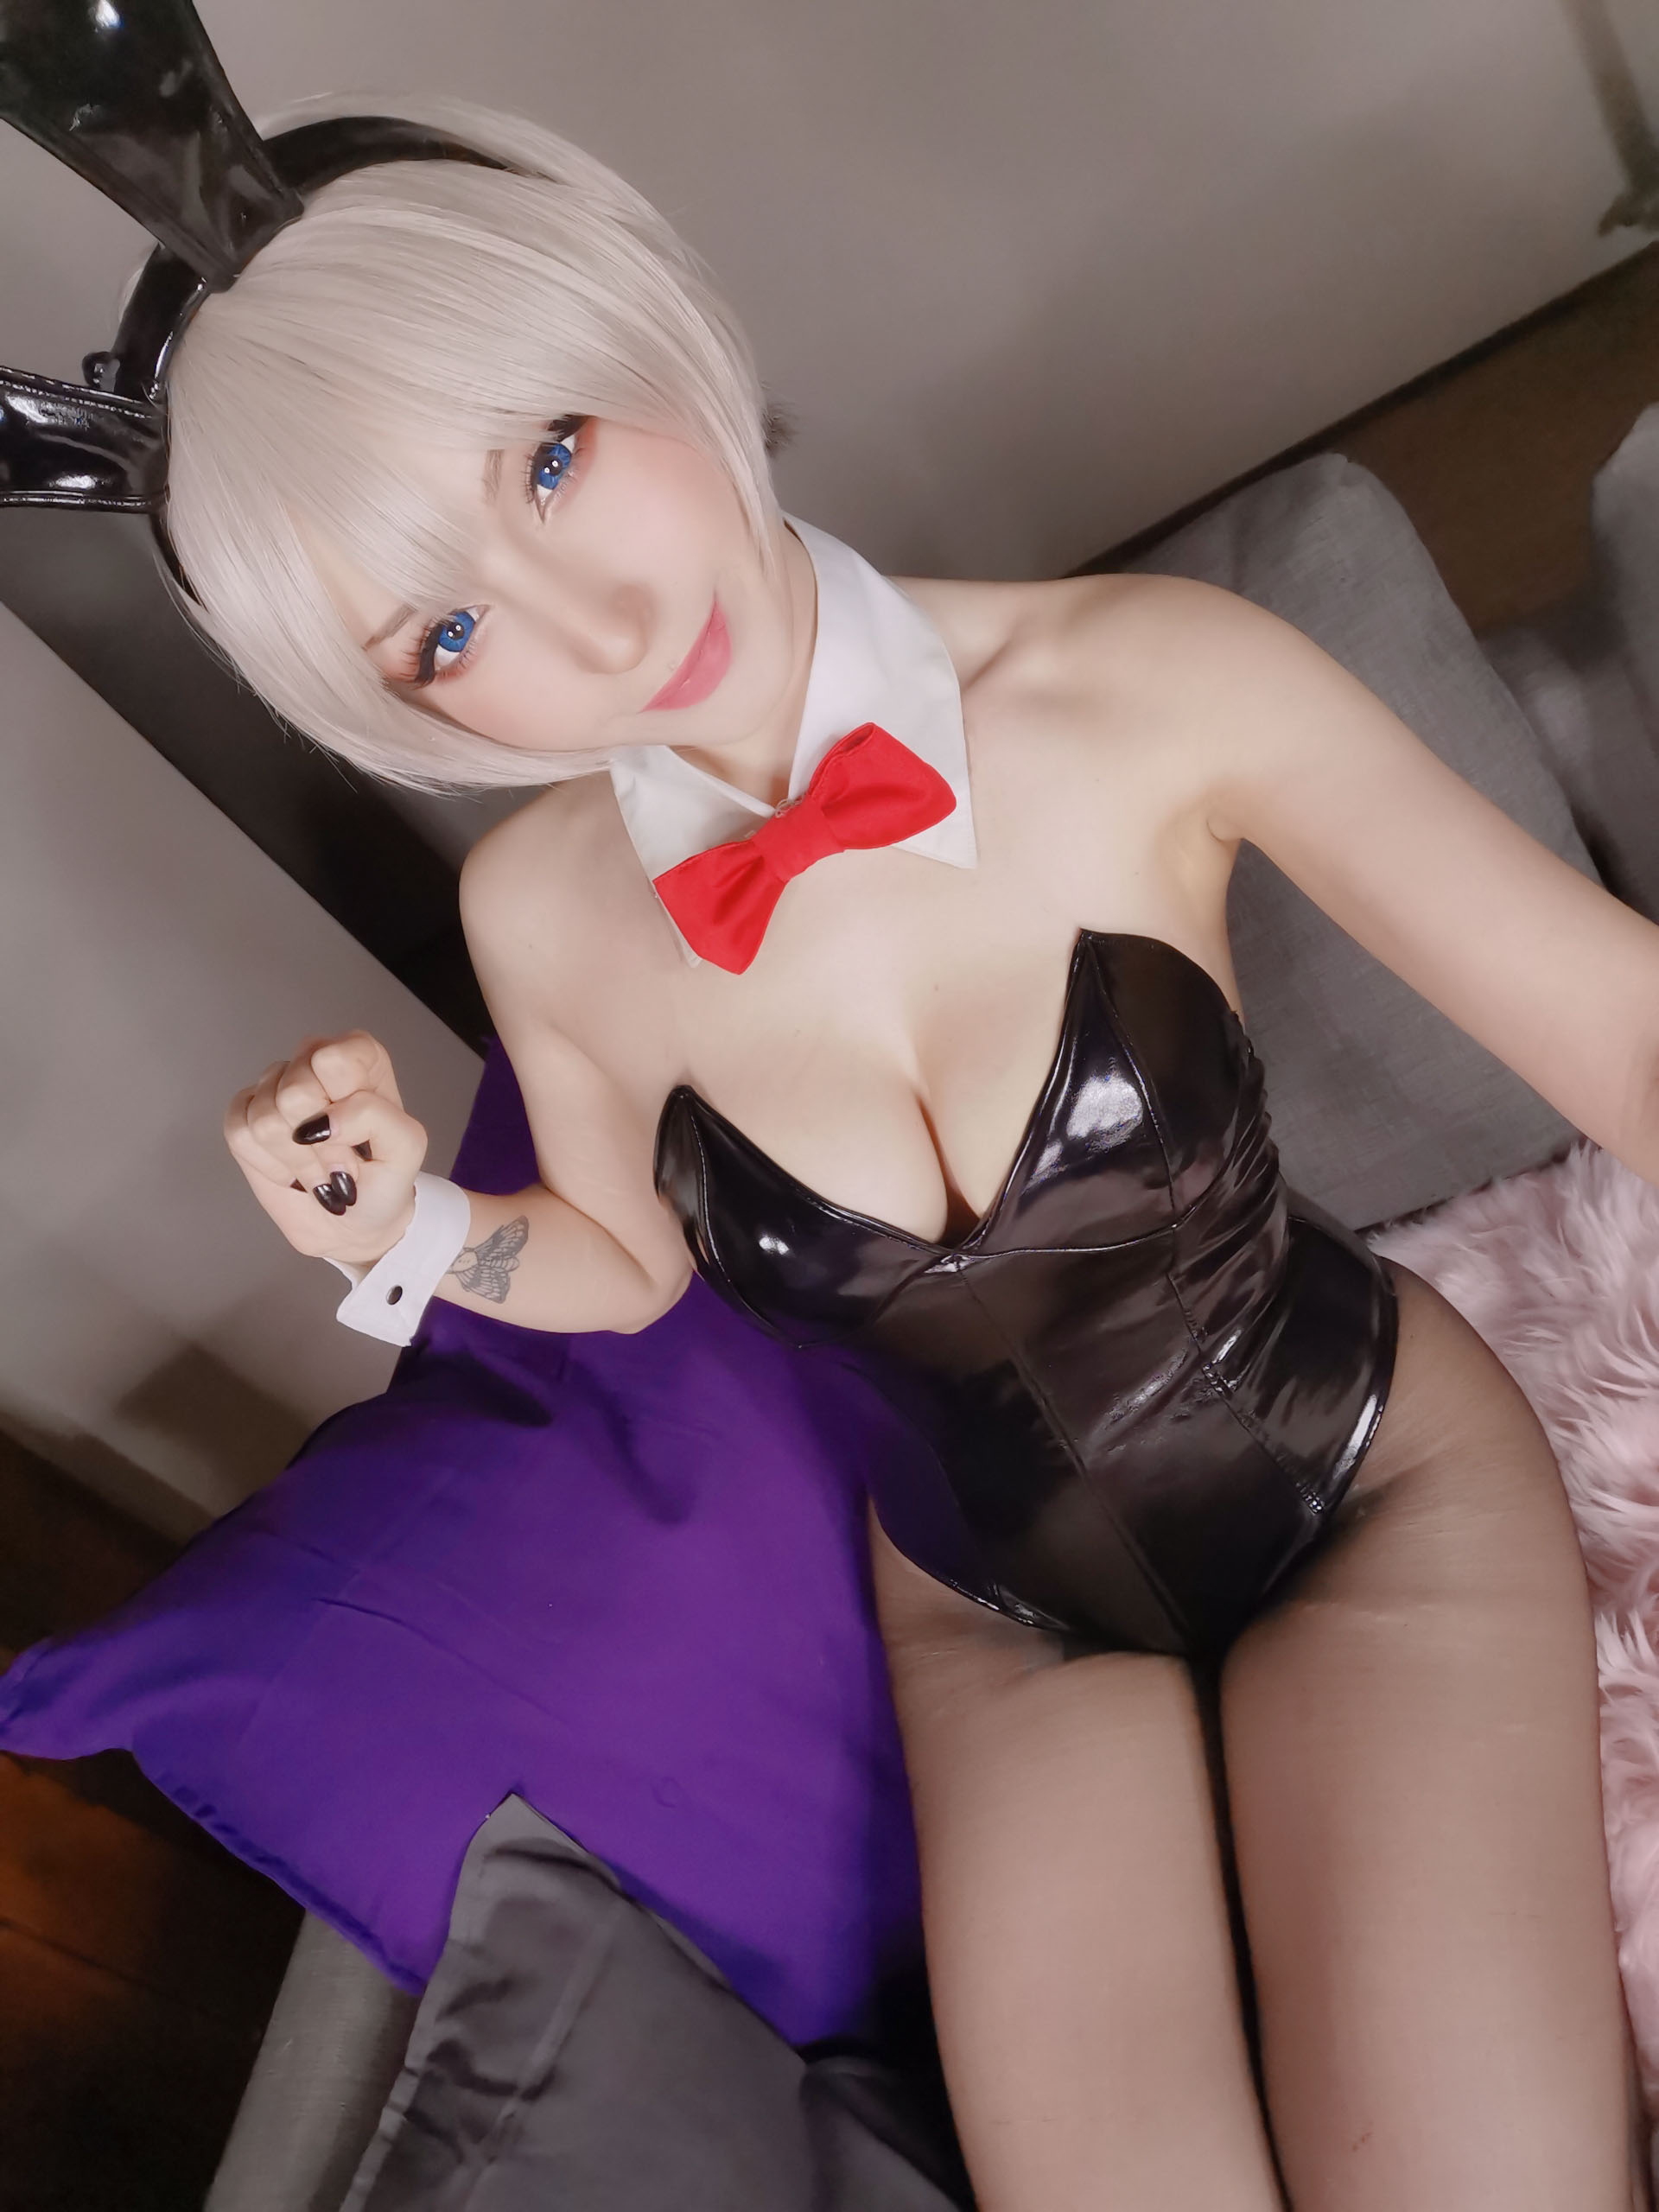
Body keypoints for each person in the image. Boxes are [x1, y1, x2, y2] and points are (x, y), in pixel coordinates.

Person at [13, 50, 1646, 2201]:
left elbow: (1624, 1033)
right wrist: (403, 1230)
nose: (594, 624)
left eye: (554, 455)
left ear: (634, 317)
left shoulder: (1156, 680)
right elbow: (623, 1266)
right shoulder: (542, 910)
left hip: (1361, 1473)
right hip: (995, 1612)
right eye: (449, 629)